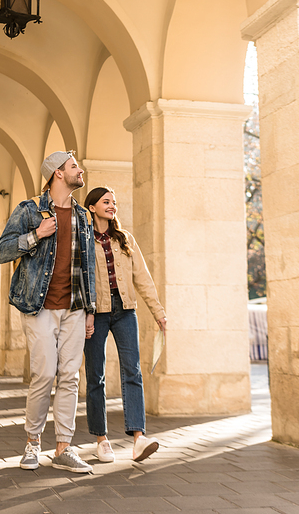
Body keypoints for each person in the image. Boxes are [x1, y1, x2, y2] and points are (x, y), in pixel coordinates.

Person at [0, 151, 96, 474]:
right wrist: (36, 234)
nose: (80, 171)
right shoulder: (29, 210)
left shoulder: (83, 217)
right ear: (57, 174)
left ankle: (64, 448)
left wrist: (90, 309)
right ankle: (32, 443)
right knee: (43, 375)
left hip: (74, 308)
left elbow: (89, 267)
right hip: (38, 306)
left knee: (70, 376)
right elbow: (2, 250)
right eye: (73, 167)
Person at [83, 186, 167, 463]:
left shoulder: (124, 238)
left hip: (125, 311)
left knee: (133, 372)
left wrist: (158, 312)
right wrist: (85, 312)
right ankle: (101, 439)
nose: (112, 206)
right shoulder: (84, 239)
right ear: (92, 207)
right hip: (96, 313)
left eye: (114, 203)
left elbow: (142, 278)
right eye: (106, 202)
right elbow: (80, 280)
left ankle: (138, 438)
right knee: (96, 376)